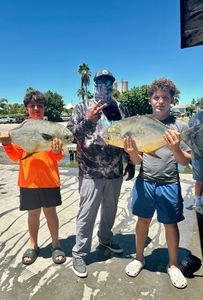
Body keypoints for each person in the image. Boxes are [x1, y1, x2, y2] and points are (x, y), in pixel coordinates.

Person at [123, 78, 191, 289]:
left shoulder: (179, 126)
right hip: (145, 181)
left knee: (170, 224)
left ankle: (173, 265)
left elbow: (185, 160)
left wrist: (176, 149)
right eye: (156, 97)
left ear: (172, 100)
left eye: (165, 98)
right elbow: (137, 161)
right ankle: (139, 258)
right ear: (150, 100)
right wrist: (132, 153)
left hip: (169, 182)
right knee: (142, 221)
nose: (160, 101)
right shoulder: (141, 125)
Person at [67, 69, 134, 277]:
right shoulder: (82, 107)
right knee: (86, 214)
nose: (105, 84)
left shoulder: (120, 108)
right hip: (89, 171)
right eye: (101, 81)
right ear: (95, 84)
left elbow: (128, 137)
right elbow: (70, 135)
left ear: (113, 84)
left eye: (108, 81)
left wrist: (130, 162)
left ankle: (105, 239)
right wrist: (89, 120)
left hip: (114, 171)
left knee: (110, 212)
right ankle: (79, 252)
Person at [0, 90, 66, 265]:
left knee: (51, 213)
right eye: (33, 106)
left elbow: (58, 157)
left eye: (40, 106)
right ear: (27, 108)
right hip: (28, 180)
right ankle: (33, 245)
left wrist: (58, 151)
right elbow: (15, 157)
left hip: (49, 179)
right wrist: (7, 145)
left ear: (44, 109)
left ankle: (56, 245)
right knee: (33, 214)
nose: (37, 108)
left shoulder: (51, 129)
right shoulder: (20, 130)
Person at [188, 111, 203, 257]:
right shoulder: (196, 117)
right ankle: (197, 202)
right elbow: (190, 136)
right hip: (199, 154)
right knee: (199, 180)